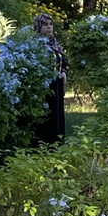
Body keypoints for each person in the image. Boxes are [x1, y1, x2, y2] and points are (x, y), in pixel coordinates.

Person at [32, 14, 68, 144]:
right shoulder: (35, 44)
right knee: (46, 113)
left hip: (56, 84)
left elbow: (64, 62)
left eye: (51, 24)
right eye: (45, 25)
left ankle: (57, 141)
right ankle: (43, 143)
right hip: (43, 85)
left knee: (56, 112)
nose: (49, 27)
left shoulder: (55, 44)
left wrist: (63, 72)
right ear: (38, 27)